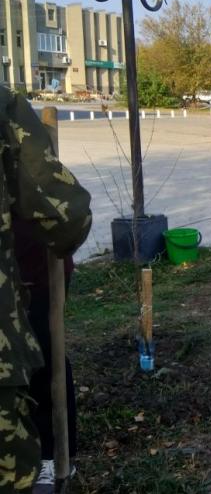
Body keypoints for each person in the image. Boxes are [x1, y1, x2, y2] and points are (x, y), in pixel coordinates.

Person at [0, 87, 92, 491]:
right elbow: (66, 216)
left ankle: (53, 454)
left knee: (43, 357)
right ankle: (49, 458)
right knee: (37, 359)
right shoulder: (5, 108)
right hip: (22, 277)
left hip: (29, 269)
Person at [13, 219, 79, 494]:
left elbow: (73, 217)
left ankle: (50, 456)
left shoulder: (28, 175)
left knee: (42, 359)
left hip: (36, 277)